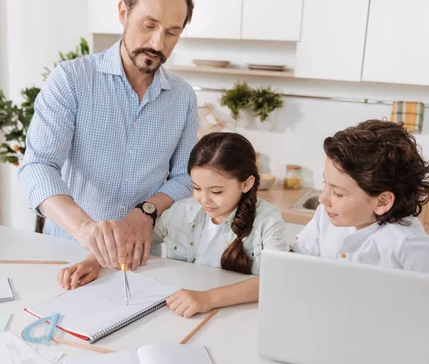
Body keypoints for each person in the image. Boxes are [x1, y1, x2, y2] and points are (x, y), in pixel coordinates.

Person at [19, 0, 197, 271]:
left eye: (171, 32)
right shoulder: (72, 80)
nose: (157, 42)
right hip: (69, 251)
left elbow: (184, 177)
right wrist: (85, 228)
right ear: (123, 12)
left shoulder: (183, 97)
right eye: (149, 24)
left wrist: (146, 212)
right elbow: (38, 166)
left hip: (142, 257)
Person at [58, 132, 293, 318]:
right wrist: (92, 261)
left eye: (217, 191)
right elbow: (133, 239)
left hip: (237, 317)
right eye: (197, 188)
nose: (204, 199)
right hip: (183, 313)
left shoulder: (267, 221)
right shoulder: (183, 211)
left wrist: (207, 299)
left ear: (246, 183)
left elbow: (279, 279)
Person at [292, 120, 429, 327]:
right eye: (326, 184)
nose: (323, 199)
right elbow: (295, 265)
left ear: (382, 202)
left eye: (338, 193)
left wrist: (404, 316)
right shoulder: (326, 215)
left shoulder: (407, 244)